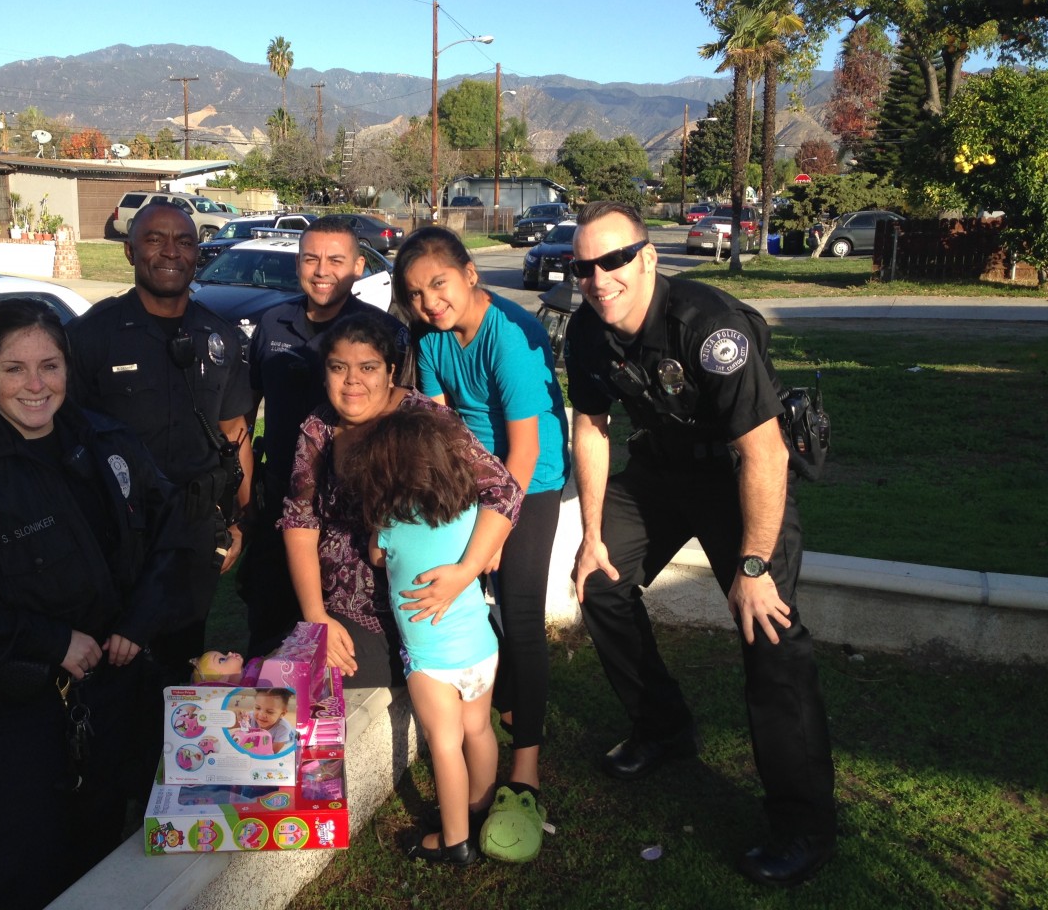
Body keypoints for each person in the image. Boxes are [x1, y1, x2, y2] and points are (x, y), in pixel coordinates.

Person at [0, 299, 191, 910]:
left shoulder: (104, 442)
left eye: (49, 366)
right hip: (13, 715)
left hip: (108, 693)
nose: (35, 385)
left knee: (101, 852)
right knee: (33, 868)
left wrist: (138, 621)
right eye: (14, 369)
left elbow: (168, 532)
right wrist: (49, 642)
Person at [564, 201, 837, 886]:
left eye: (615, 259)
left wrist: (751, 566)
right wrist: (593, 535)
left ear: (649, 257)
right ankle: (663, 726)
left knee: (769, 631)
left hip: (740, 474)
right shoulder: (589, 332)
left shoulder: (707, 327)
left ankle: (804, 824)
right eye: (585, 266)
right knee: (599, 582)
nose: (600, 279)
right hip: (663, 469)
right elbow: (593, 428)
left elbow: (764, 453)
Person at [393, 226, 569, 827]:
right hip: (470, 479)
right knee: (480, 607)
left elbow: (521, 454)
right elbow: (442, 431)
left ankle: (526, 770)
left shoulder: (512, 338)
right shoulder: (432, 342)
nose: (429, 302)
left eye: (438, 283)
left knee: (518, 613)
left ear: (470, 272)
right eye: (415, 294)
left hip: (532, 481)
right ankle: (504, 703)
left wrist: (482, 548)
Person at [67, 200, 254, 685]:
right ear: (130, 252)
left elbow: (236, 433)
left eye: (184, 241)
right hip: (116, 531)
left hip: (193, 533)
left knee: (181, 666)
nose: (170, 251)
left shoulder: (221, 335)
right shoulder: (92, 336)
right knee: (113, 670)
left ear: (198, 254)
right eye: (154, 239)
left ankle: (176, 755)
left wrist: (238, 522)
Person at [281, 313, 521, 688]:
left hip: (423, 602)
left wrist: (466, 571)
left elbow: (503, 490)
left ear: (391, 371)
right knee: (283, 671)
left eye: (368, 367)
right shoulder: (319, 427)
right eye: (338, 367)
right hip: (340, 605)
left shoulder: (425, 421)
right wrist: (315, 617)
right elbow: (300, 520)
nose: (352, 380)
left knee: (317, 682)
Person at [344, 407, 512, 866]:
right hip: (481, 647)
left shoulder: (391, 523)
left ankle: (455, 840)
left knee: (444, 742)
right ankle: (480, 808)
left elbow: (378, 558)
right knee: (478, 728)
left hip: (430, 660)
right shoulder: (468, 510)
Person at [240, 214, 410, 657]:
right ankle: (270, 721)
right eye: (310, 258)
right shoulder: (272, 323)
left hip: (355, 507)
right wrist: (243, 500)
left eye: (336, 259)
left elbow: (406, 419)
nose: (321, 270)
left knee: (348, 639)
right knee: (270, 629)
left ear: (358, 266)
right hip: (283, 495)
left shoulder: (385, 332)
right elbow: (244, 413)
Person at [252, 687, 297, 752]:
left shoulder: (283, 728)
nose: (261, 715)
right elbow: (233, 723)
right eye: (257, 708)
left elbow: (273, 752)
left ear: (282, 713)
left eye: (269, 712)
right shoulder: (249, 717)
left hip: (290, 736)